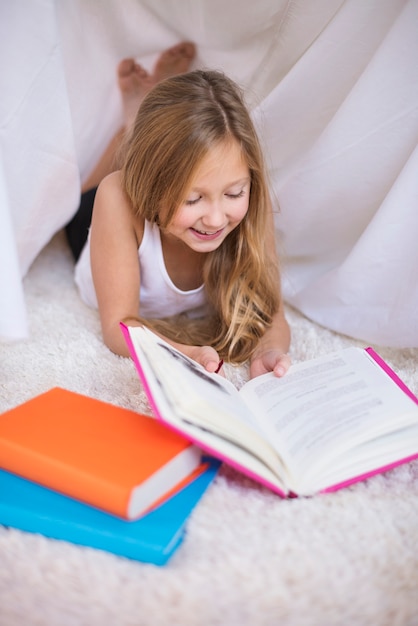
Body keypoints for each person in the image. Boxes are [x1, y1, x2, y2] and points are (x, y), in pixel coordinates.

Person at [69, 43, 291, 379]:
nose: (217, 219)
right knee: (80, 202)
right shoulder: (116, 198)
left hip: (153, 182)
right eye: (192, 200)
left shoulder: (249, 206)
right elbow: (119, 327)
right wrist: (184, 354)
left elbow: (272, 313)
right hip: (100, 227)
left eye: (233, 192)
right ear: (152, 186)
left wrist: (269, 350)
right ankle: (131, 127)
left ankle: (141, 124)